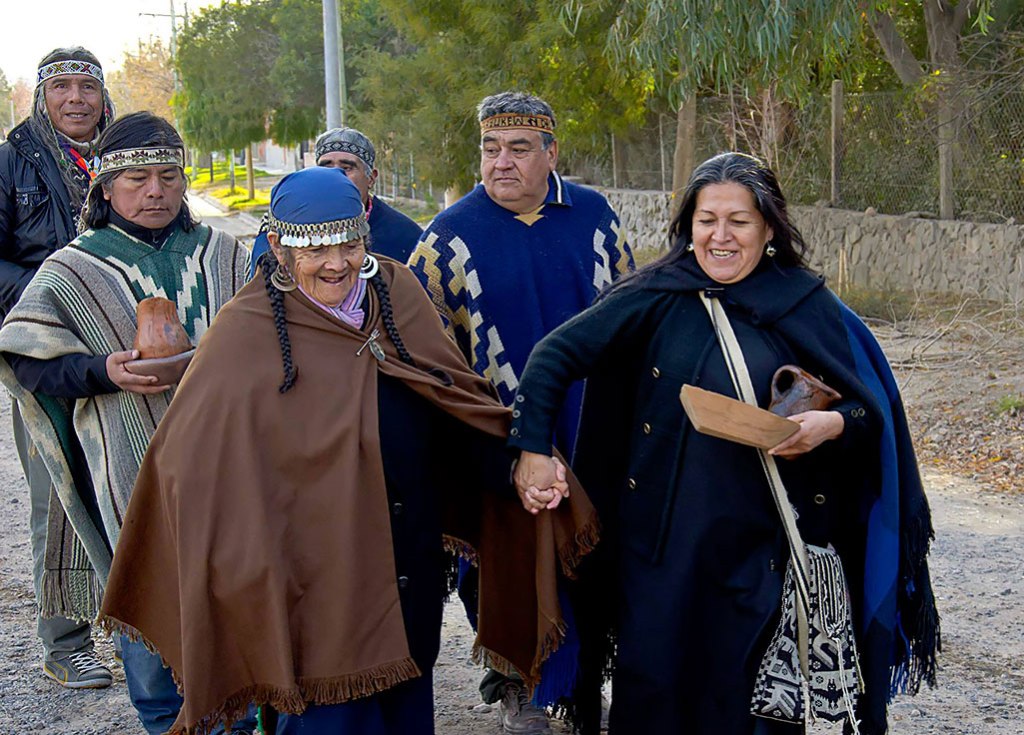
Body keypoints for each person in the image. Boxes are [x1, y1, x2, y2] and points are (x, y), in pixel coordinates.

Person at [98, 166, 598, 735]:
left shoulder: (397, 295)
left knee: (406, 716)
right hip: (309, 593)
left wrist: (517, 465)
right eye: (315, 248)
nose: (336, 262)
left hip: (406, 572)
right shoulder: (247, 332)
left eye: (349, 243)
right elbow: (185, 463)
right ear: (281, 247)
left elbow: (453, 408)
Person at [506, 152, 940, 734]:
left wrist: (827, 426)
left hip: (767, 554)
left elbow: (869, 411)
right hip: (661, 553)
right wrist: (532, 451)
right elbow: (554, 356)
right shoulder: (654, 296)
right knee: (655, 698)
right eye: (707, 219)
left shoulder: (803, 304)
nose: (720, 235)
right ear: (688, 226)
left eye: (739, 220)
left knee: (747, 709)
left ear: (768, 229)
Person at [0, 111, 253, 734]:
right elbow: (28, 358)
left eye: (169, 176)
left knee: (237, 609)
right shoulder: (71, 269)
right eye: (137, 178)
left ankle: (239, 719)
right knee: (144, 605)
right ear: (105, 188)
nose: (155, 191)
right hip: (129, 474)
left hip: (231, 474)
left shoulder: (225, 255)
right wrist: (101, 372)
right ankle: (165, 721)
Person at [407, 91, 633, 734]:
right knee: (505, 561)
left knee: (591, 556)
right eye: (489, 148)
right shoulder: (449, 236)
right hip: (499, 437)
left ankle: (583, 684)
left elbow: (628, 314)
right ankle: (522, 680)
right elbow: (427, 351)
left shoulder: (593, 218)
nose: (501, 162)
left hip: (590, 424)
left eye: (519, 148)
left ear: (551, 153)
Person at [0, 46, 115, 689]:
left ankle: (139, 625)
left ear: (103, 96)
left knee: (130, 476)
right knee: (59, 486)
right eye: (61, 87)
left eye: (87, 87)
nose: (75, 98)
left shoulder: (122, 158)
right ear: (42, 97)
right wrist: (54, 290)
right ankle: (65, 639)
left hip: (116, 351)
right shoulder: (11, 160)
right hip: (43, 353)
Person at [249, 126, 422, 277]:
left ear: (371, 178)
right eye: (326, 167)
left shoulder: (405, 235)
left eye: (346, 168)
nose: (335, 176)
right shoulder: (284, 225)